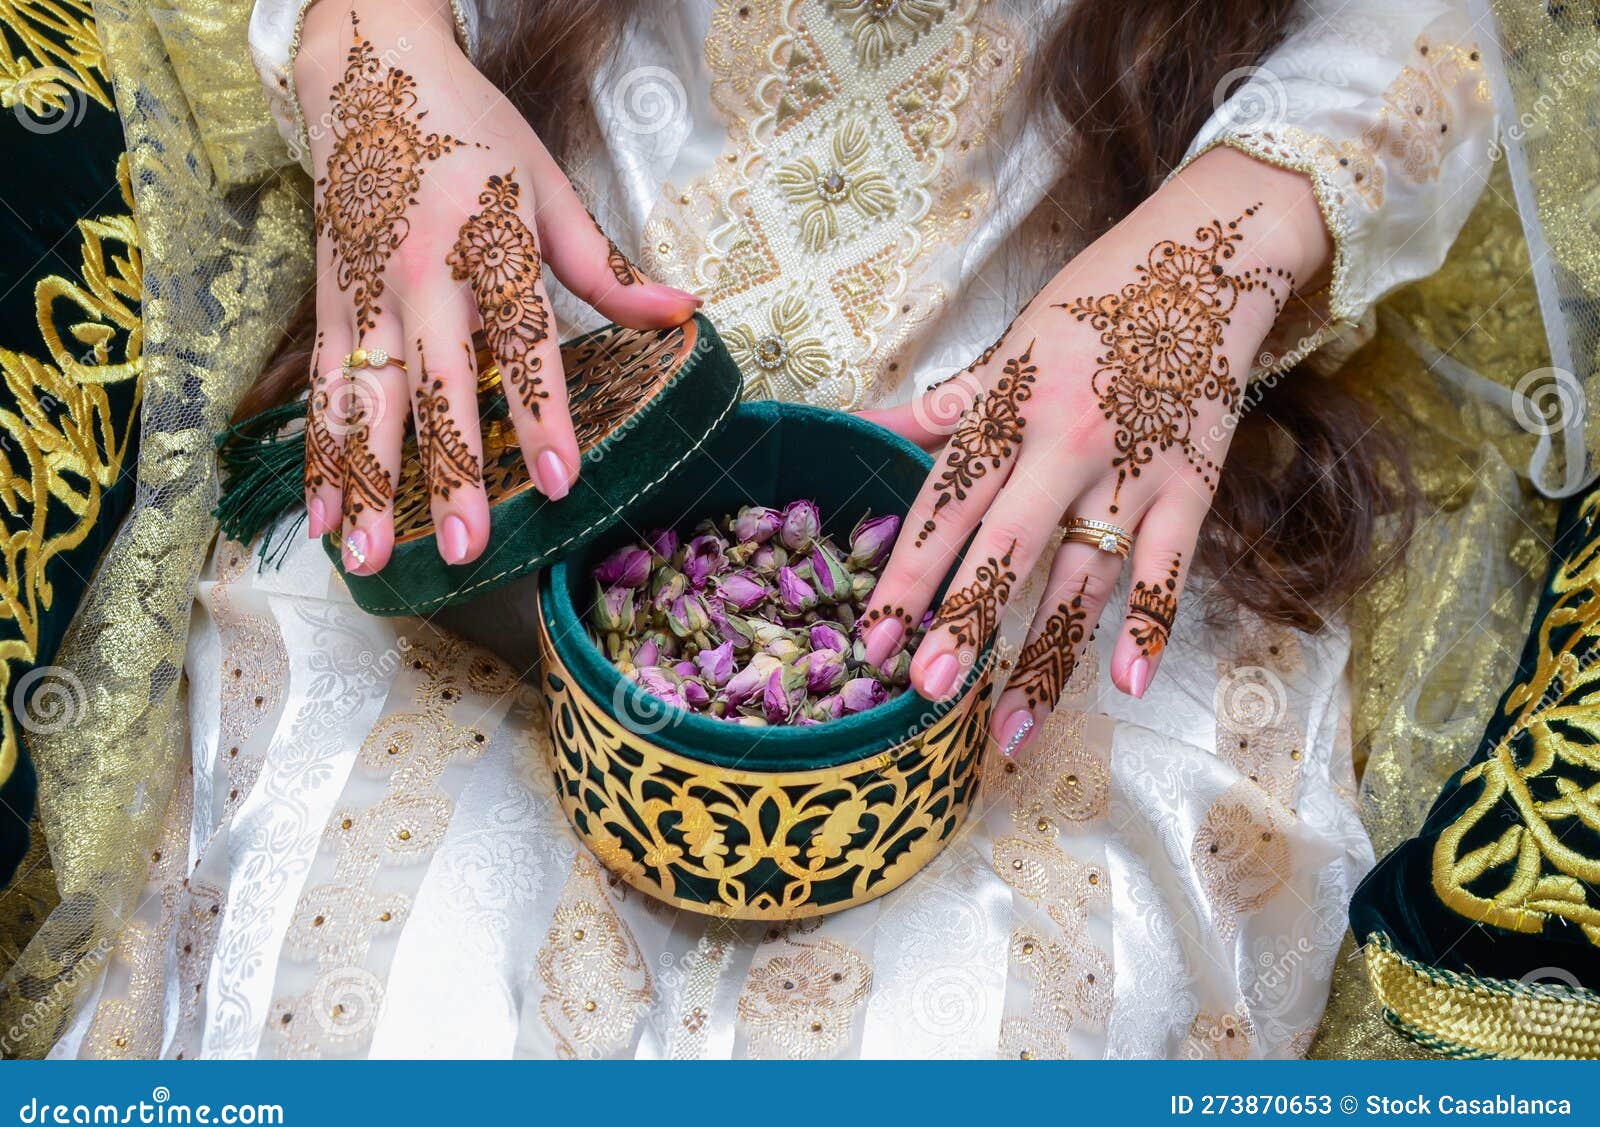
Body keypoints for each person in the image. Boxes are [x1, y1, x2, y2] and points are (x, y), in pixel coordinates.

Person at [51, 0, 1495, 1058]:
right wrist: (381, 58)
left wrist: (1223, 248)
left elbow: (1426, 43)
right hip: (530, 388)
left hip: (1064, 458)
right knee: (377, 1020)